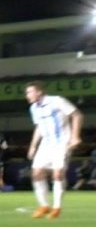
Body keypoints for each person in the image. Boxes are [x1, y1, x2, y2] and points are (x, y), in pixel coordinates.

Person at [25, 81, 83, 219]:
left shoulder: (57, 101)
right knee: (36, 173)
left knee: (57, 174)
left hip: (62, 143)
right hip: (46, 144)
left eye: (29, 92)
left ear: (39, 92)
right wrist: (33, 146)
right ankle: (44, 206)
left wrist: (75, 137)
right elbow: (39, 127)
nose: (27, 95)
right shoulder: (34, 108)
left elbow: (77, 115)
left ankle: (56, 207)